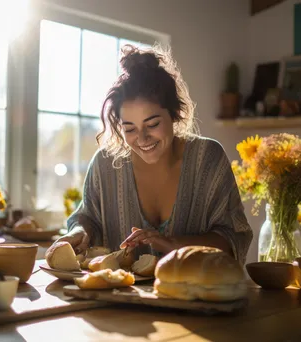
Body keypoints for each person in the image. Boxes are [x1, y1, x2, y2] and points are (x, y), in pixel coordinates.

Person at [56, 44, 253, 265]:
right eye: (129, 129)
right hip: (118, 298)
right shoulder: (104, 165)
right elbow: (88, 218)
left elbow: (233, 237)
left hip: (196, 296)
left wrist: (172, 245)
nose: (142, 138)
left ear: (175, 113)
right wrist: (79, 232)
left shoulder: (208, 158)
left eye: (153, 124)